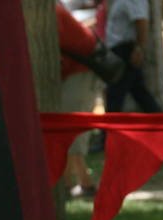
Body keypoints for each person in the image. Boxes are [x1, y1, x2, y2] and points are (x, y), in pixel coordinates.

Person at [57, 2, 102, 197]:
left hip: (81, 71)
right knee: (66, 129)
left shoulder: (51, 13)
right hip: (74, 72)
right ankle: (69, 183)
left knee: (71, 129)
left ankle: (85, 183)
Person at [104, 0, 163, 113]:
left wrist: (139, 48)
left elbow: (141, 22)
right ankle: (162, 122)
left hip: (125, 51)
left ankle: (107, 128)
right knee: (139, 93)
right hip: (120, 50)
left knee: (115, 93)